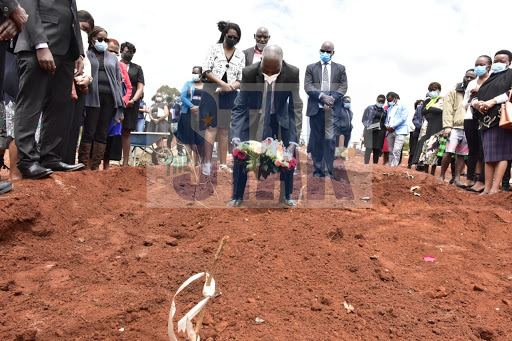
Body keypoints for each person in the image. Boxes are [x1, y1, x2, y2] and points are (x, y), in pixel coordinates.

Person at [14, 0, 85, 179]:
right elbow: (27, 7)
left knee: (59, 105)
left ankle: (51, 157)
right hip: (38, 46)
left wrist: (78, 52)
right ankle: (28, 161)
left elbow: (72, 14)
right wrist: (40, 44)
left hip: (66, 51)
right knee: (31, 103)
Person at [229, 45, 303, 207]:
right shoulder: (249, 72)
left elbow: (295, 106)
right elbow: (240, 106)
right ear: (261, 61)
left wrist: (294, 141)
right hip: (254, 117)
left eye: (273, 72)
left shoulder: (292, 73)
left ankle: (286, 195)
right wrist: (235, 135)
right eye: (265, 71)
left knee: (289, 153)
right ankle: (237, 196)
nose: (269, 75)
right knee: (241, 153)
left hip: (279, 117)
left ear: (281, 65)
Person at [200, 21, 245, 176]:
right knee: (211, 127)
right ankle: (206, 162)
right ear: (224, 35)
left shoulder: (241, 55)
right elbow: (206, 70)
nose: (232, 39)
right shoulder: (214, 48)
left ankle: (223, 164)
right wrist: (222, 84)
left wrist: (230, 87)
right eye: (230, 36)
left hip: (230, 93)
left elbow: (241, 78)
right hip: (212, 90)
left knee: (225, 129)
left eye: (236, 37)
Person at [79, 26, 125, 171]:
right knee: (89, 130)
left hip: (109, 99)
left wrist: (119, 103)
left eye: (105, 39)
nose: (103, 42)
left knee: (102, 132)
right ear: (92, 39)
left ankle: (95, 166)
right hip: (91, 97)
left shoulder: (112, 58)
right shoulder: (86, 54)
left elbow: (118, 81)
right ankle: (83, 165)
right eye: (100, 39)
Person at [471, 50, 512, 194]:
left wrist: (493, 101)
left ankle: (495, 188)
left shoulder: (510, 75)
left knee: (502, 155)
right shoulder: (490, 78)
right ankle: (487, 188)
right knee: (489, 156)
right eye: (496, 61)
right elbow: (477, 95)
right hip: (485, 120)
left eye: (502, 61)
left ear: (509, 63)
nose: (498, 64)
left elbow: (510, 93)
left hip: (501, 119)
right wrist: (477, 104)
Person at [305, 41, 348, 178]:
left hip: (332, 111)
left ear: (333, 53)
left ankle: (328, 171)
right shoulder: (311, 68)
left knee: (329, 141)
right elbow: (308, 86)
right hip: (315, 110)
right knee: (317, 140)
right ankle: (318, 170)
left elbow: (343, 87)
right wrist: (322, 96)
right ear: (319, 51)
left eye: (328, 51)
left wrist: (331, 99)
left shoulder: (340, 68)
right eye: (323, 50)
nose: (325, 53)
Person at [61, 10, 94, 166]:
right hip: (64, 86)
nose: (83, 32)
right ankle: (54, 160)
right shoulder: (63, 36)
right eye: (82, 27)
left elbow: (85, 64)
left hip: (80, 89)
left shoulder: (85, 49)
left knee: (74, 127)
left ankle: (68, 160)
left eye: (87, 31)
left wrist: (87, 79)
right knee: (61, 124)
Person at [0, 0, 27, 192]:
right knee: (15, 119)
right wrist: (12, 10)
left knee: (6, 122)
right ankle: (15, 173)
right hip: (16, 68)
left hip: (9, 63)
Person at [439, 69, 476, 186]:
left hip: (469, 127)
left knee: (462, 154)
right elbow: (447, 110)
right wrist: (447, 127)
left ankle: (457, 179)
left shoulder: (476, 92)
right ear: (464, 77)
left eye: (472, 77)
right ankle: (441, 175)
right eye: (467, 76)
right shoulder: (453, 92)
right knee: (449, 152)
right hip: (454, 126)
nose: (469, 79)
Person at [463, 55, 491, 192]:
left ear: (488, 67)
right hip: (470, 118)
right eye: (476, 64)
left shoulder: (492, 82)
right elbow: (464, 104)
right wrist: (473, 99)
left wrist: (482, 93)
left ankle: (482, 181)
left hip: (486, 119)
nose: (478, 67)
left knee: (484, 150)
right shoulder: (471, 83)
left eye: (481, 64)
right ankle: (469, 179)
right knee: (472, 149)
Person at [103, 38, 132, 170]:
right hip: (100, 104)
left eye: (116, 53)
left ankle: (107, 165)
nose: (113, 55)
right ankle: (92, 165)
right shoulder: (97, 62)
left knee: (112, 135)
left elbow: (128, 88)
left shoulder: (122, 67)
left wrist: (122, 105)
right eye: (110, 51)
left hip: (116, 107)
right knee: (97, 134)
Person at [120, 41, 144, 166]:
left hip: (131, 104)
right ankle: (108, 159)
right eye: (126, 51)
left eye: (131, 53)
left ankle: (125, 162)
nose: (128, 54)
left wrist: (133, 100)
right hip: (116, 101)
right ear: (121, 51)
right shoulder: (115, 64)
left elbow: (140, 87)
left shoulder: (137, 68)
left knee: (126, 131)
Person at [411, 83, 443, 174]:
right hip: (427, 127)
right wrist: (433, 109)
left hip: (438, 127)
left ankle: (432, 173)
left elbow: (442, 111)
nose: (432, 91)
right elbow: (424, 111)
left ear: (439, 90)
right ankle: (425, 171)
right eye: (430, 89)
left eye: (434, 89)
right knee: (425, 149)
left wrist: (430, 109)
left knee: (434, 149)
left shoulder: (442, 100)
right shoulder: (427, 100)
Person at [179, 66, 205, 168]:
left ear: (201, 75)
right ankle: (189, 161)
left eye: (196, 73)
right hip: (188, 114)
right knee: (189, 138)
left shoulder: (205, 85)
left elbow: (208, 98)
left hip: (201, 115)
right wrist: (192, 106)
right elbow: (182, 97)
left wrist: (199, 108)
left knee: (199, 138)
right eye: (193, 72)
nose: (194, 74)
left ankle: (198, 161)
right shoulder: (188, 84)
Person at [385, 92, 409, 167]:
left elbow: (403, 118)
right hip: (390, 131)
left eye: (390, 100)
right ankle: (390, 166)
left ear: (395, 98)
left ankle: (394, 166)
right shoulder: (389, 109)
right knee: (391, 150)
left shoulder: (403, 106)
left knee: (397, 150)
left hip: (400, 131)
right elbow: (387, 120)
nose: (389, 102)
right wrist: (387, 126)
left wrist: (393, 126)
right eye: (388, 101)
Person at [362, 95, 387, 164]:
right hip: (370, 130)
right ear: (376, 100)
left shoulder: (384, 111)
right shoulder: (370, 108)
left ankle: (375, 164)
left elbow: (385, 120)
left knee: (377, 148)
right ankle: (366, 163)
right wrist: (368, 126)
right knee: (368, 147)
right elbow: (364, 119)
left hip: (380, 131)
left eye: (382, 102)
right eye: (379, 101)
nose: (380, 103)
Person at [408, 99, 424, 168]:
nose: (420, 105)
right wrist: (420, 126)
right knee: (413, 149)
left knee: (421, 150)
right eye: (419, 104)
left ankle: (418, 165)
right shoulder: (414, 112)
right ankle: (410, 164)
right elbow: (413, 121)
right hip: (415, 132)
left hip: (423, 133)